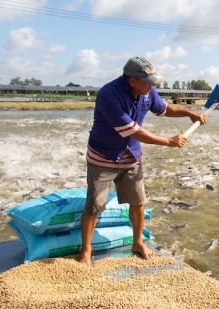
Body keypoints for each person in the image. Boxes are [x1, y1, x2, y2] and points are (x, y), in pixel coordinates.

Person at [78, 56, 206, 266]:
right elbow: (131, 130)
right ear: (132, 81)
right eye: (149, 81)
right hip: (103, 156)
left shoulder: (147, 91)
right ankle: (86, 250)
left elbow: (163, 109)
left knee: (138, 201)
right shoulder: (109, 95)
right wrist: (168, 141)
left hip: (131, 155)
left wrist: (188, 113)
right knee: (94, 204)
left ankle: (137, 242)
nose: (153, 85)